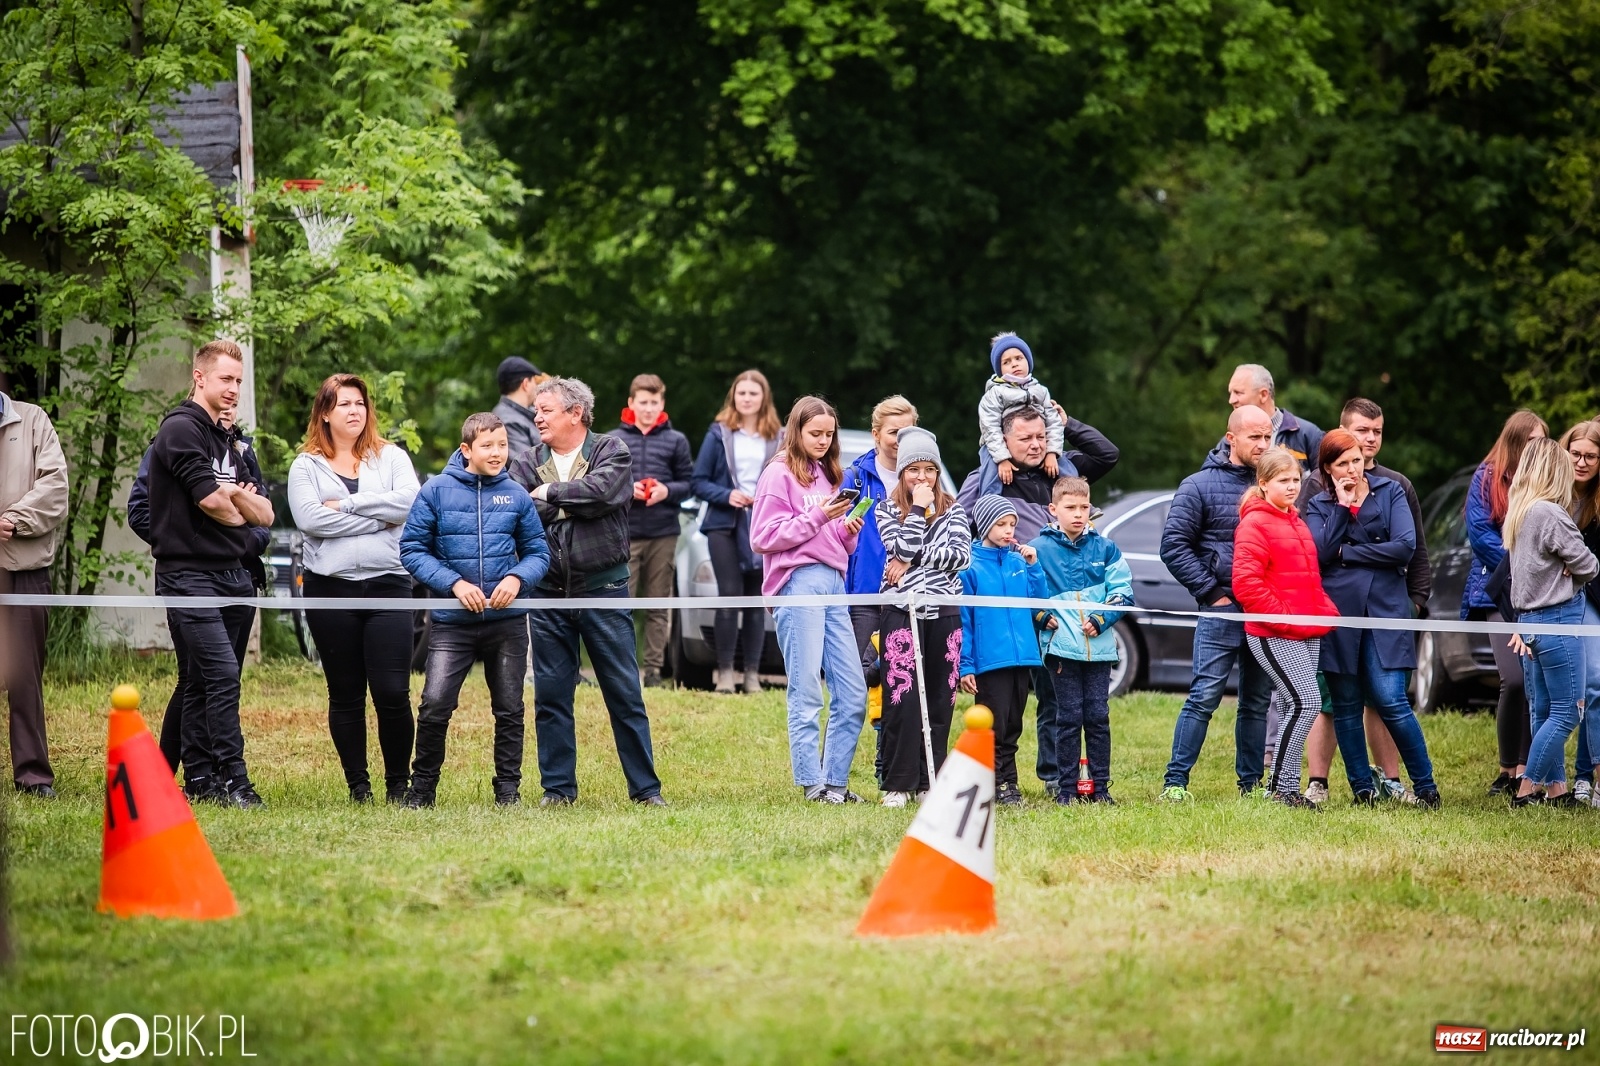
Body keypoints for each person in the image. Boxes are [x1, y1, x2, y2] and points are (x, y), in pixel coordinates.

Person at [510, 377, 667, 806]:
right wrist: (571, 501)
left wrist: (552, 496)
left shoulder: (611, 451)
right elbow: (523, 507)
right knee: (551, 695)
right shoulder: (524, 460)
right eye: (536, 411)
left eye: (545, 410)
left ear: (575, 413)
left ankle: (646, 791)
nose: (536, 417)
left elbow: (604, 491)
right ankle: (557, 791)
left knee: (624, 694)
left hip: (603, 589)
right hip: (546, 593)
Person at [956, 404, 1119, 795]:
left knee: (1052, 698)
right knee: (1014, 704)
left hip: (1055, 599)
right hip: (1010, 601)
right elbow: (960, 526)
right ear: (1003, 439)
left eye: (1040, 436)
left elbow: (1107, 454)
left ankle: (1052, 776)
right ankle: (1024, 776)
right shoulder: (985, 478)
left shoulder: (1059, 471)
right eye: (1025, 437)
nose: (1034, 444)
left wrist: (1067, 424)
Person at [147, 339, 273, 808]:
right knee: (221, 676)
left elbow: (265, 513)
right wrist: (239, 501)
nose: (234, 388)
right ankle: (236, 781)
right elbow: (215, 503)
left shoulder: (230, 437)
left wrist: (240, 503)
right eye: (226, 379)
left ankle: (199, 780)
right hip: (187, 575)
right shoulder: (181, 430)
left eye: (239, 381)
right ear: (199, 377)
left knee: (201, 680)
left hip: (234, 574)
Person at [400, 413, 549, 807]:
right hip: (452, 625)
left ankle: (508, 792)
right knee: (434, 704)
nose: (497, 453)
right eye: (488, 446)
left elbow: (538, 552)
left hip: (508, 623)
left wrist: (518, 579)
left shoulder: (516, 494)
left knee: (510, 708)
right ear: (467, 449)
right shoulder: (435, 491)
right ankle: (422, 791)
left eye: (502, 445)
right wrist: (454, 583)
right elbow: (412, 550)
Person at [288, 374, 421, 804]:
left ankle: (398, 785)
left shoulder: (392, 457)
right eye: (343, 403)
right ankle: (358, 787)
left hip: (389, 585)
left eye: (360, 403)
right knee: (345, 693)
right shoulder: (305, 465)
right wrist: (381, 518)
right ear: (325, 413)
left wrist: (346, 505)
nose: (354, 411)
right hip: (330, 588)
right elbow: (311, 521)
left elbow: (411, 505)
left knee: (391, 691)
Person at [1297, 397, 1429, 803]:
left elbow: (1405, 548)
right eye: (1344, 462)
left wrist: (1348, 554)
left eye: (1357, 459)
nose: (1353, 467)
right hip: (1339, 613)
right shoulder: (1317, 499)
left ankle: (1425, 785)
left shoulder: (1393, 489)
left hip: (1387, 609)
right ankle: (1362, 789)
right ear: (1328, 469)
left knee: (1390, 699)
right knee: (1346, 703)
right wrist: (1342, 506)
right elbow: (1318, 555)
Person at [750, 395, 869, 804]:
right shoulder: (778, 474)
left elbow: (831, 538)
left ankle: (836, 782)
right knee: (806, 691)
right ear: (796, 430)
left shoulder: (827, 473)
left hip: (835, 583)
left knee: (853, 692)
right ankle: (812, 784)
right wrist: (820, 517)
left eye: (829, 434)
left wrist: (848, 528)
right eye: (815, 433)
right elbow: (762, 537)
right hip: (797, 583)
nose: (823, 440)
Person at [1158, 405, 1276, 801]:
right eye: (1254, 437)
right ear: (1231, 438)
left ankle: (1251, 786)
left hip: (1264, 610)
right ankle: (1175, 783)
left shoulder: (1275, 484)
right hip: (1221, 609)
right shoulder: (1198, 485)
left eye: (1267, 437)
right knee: (1204, 696)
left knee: (1256, 702)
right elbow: (1173, 547)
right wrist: (1213, 594)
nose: (1262, 444)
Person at [1232, 447, 1339, 808]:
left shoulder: (1295, 520)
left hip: (1306, 630)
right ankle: (1284, 789)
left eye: (1296, 479)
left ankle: (1281, 786)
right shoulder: (1255, 523)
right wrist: (1285, 617)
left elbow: (1307, 579)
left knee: (1298, 706)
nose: (1293, 486)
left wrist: (1322, 610)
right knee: (1306, 702)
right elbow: (1246, 585)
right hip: (1273, 632)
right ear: (1263, 484)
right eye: (1284, 481)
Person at [875, 428, 970, 807]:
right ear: (901, 473)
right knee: (901, 697)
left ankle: (932, 781)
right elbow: (899, 544)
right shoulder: (886, 509)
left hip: (945, 612)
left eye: (929, 469)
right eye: (913, 469)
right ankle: (898, 783)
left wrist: (911, 558)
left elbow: (961, 557)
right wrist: (916, 510)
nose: (922, 477)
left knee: (941, 699)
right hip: (902, 611)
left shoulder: (955, 509)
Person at [1503, 437, 1598, 807]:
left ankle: (1557, 789)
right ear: (1555, 472)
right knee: (1567, 711)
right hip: (1558, 620)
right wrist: (1570, 571)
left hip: (1529, 621)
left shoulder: (1521, 510)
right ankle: (1528, 789)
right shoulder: (1552, 514)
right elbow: (1589, 566)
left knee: (1543, 708)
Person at [1032, 476, 1134, 805]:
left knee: (1098, 717)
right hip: (1061, 649)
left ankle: (1101, 788)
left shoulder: (1106, 548)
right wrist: (1040, 617)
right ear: (1053, 509)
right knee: (1068, 716)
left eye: (1084, 507)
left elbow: (1123, 590)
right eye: (1070, 507)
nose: (1078, 514)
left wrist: (1102, 619)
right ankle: (1066, 789)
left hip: (1101, 650)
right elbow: (1027, 592)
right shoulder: (1039, 549)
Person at [1464, 410, 1548, 795]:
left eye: (1542, 441)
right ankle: (1505, 768)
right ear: (1515, 442)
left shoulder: (1547, 479)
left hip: (1540, 594)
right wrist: (1523, 565)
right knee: (1513, 680)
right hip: (1497, 589)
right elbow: (1481, 536)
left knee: (1536, 680)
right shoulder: (1486, 478)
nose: (1537, 449)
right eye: (1530, 441)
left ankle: (1528, 770)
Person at [840, 395, 919, 780]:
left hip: (908, 595)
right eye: (893, 433)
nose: (900, 440)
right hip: (864, 594)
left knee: (900, 682)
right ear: (876, 435)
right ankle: (835, 771)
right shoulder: (855, 477)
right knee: (855, 681)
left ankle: (888, 765)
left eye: (908, 432)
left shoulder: (922, 477)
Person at [690, 370, 783, 694]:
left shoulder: (779, 437)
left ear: (763, 398)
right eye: (741, 392)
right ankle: (726, 673)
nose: (746, 398)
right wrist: (726, 495)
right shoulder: (719, 433)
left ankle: (752, 675)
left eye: (753, 393)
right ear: (734, 397)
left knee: (756, 601)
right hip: (723, 524)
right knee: (728, 595)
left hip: (762, 525)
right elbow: (698, 481)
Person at [0, 382, 67, 798]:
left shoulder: (32, 420)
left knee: (25, 678)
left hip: (24, 568)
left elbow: (55, 487)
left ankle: (33, 776)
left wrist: (13, 519)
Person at [959, 495, 1046, 806]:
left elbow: (1038, 601)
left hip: (1021, 657)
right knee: (993, 724)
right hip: (990, 660)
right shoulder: (969, 565)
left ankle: (1009, 781)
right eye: (1001, 524)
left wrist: (1034, 567)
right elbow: (965, 620)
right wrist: (965, 664)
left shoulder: (1018, 562)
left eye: (1012, 524)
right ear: (984, 526)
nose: (1008, 530)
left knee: (1013, 724)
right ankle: (993, 782)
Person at [608, 373, 693, 688]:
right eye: (643, 402)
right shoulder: (614, 440)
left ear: (662, 403)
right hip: (623, 533)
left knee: (659, 604)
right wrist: (627, 490)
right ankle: (621, 670)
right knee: (621, 604)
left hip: (663, 532)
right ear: (631, 403)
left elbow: (688, 483)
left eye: (654, 402)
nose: (648, 408)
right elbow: (603, 484)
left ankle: (654, 671)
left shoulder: (676, 441)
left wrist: (665, 491)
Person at [1557, 420, 1600, 807]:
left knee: (1594, 689)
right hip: (1563, 600)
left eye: (1590, 456)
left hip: (1593, 593)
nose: (1582, 463)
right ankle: (1581, 777)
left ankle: (1589, 776)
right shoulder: (1554, 495)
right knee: (1587, 689)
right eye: (1576, 455)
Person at [978, 332, 1065, 486]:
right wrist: (1002, 458)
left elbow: (1053, 422)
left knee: (1065, 466)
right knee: (990, 472)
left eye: (1019, 358)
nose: (1014, 364)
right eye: (1007, 362)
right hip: (997, 444)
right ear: (999, 369)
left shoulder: (1040, 390)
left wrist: (1052, 452)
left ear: (1028, 361)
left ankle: (1078, 496)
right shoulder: (995, 393)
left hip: (1035, 439)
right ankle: (990, 501)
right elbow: (989, 427)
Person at [1224, 363, 1324, 470]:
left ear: (1263, 395)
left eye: (1238, 393)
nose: (1231, 400)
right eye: (1231, 393)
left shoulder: (1309, 435)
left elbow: (1324, 482)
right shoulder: (1230, 440)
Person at [492, 356, 545, 467]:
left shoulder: (525, 414)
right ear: (526, 383)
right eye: (534, 382)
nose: (537, 387)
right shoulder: (507, 421)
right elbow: (525, 469)